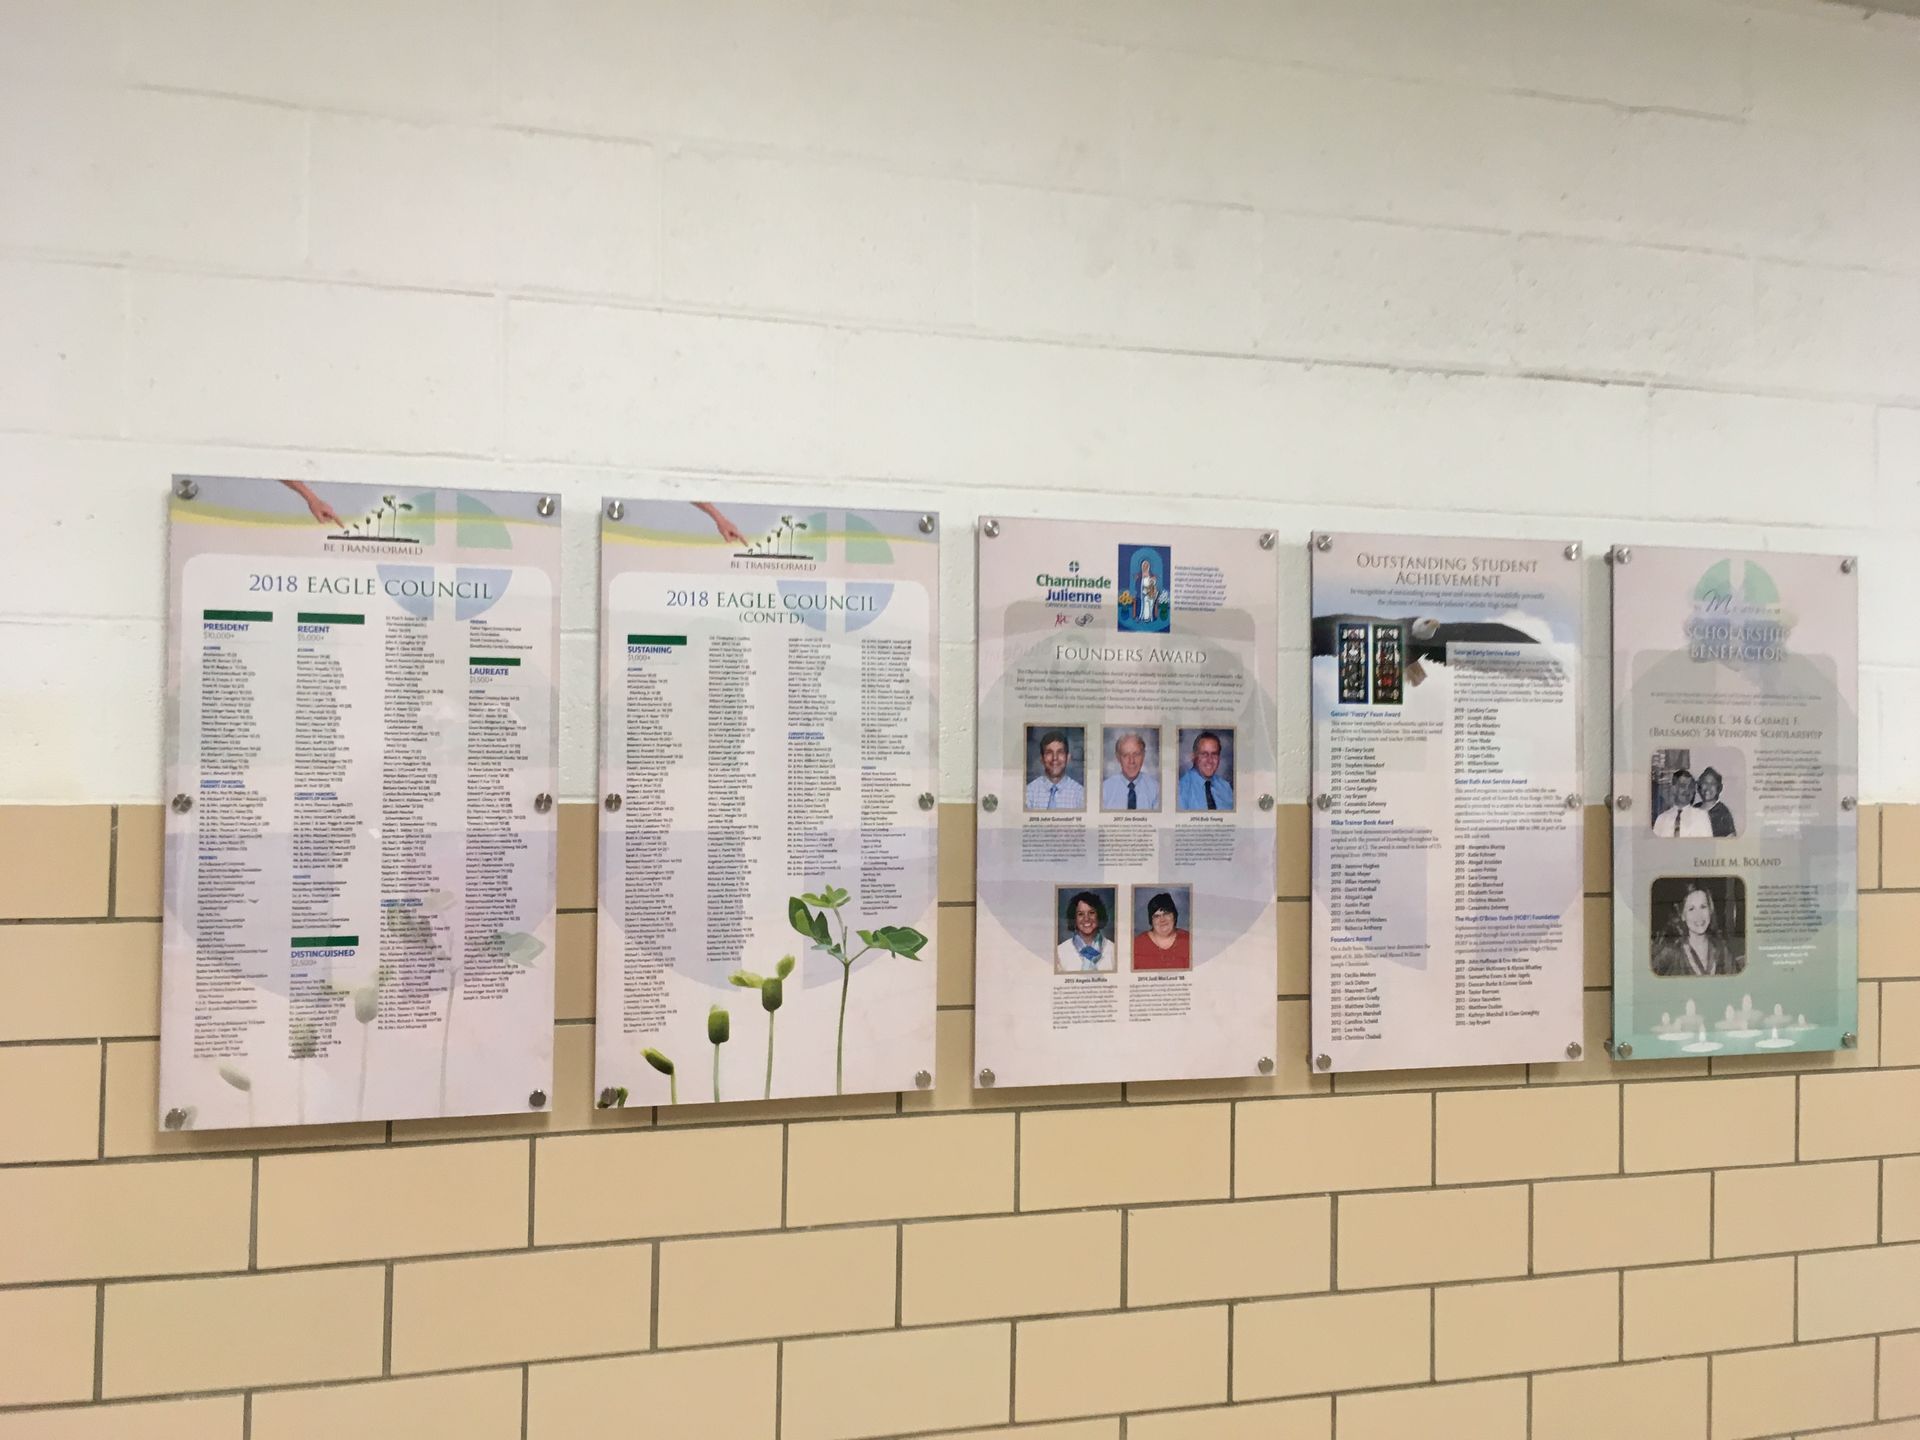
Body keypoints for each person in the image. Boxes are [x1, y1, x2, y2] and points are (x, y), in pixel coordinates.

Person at [1652, 885, 1741, 977]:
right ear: (1682, 915)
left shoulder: (1722, 950)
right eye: (1691, 909)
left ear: (1710, 910)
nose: (1698, 915)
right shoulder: (1670, 953)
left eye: (1703, 907)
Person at [1055, 890, 1116, 971]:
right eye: (1080, 914)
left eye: (1091, 912)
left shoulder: (1114, 950)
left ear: (1099, 916)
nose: (1086, 918)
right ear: (1074, 918)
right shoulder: (1059, 952)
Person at [1025, 730, 1085, 811]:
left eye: (1060, 752)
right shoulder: (1028, 793)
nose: (1055, 758)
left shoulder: (1081, 794)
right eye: (1049, 752)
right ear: (1042, 759)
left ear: (1068, 758)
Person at [1100, 730, 1160, 811]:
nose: (1131, 761)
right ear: (1118, 757)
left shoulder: (1156, 789)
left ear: (1143, 755)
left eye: (1136, 754)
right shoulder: (1104, 790)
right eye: (1125, 755)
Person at [1133, 891, 1191, 971]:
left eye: (1166, 914)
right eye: (1156, 916)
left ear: (1174, 916)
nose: (1162, 920)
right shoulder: (1137, 945)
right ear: (1151, 921)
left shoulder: (1189, 940)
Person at [1177, 731, 1233, 811]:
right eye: (1204, 754)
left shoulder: (1226, 787)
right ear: (1193, 757)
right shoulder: (1180, 790)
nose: (1210, 760)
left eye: (1214, 754)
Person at [1652, 769, 1712, 837]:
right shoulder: (1661, 819)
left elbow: (1708, 845)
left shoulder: (1701, 817)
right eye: (1683, 786)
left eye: (1690, 786)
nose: (1687, 790)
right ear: (1673, 789)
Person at [1698, 767, 1737, 838]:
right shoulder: (1695, 808)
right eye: (1705, 783)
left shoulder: (1723, 813)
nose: (1708, 787)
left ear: (1718, 787)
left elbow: (1730, 840)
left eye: (1712, 784)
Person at [1134, 555, 1159, 626]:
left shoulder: (1151, 576)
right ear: (1141, 566)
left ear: (1149, 566)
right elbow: (1137, 586)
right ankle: (1140, 617)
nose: (1145, 566)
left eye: (1146, 565)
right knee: (1142, 603)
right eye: (1144, 565)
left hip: (1150, 595)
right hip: (1141, 595)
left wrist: (1151, 589)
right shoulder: (1139, 576)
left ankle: (1149, 618)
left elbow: (1153, 585)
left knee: (1148, 604)